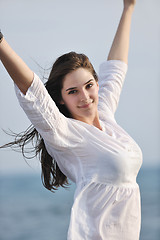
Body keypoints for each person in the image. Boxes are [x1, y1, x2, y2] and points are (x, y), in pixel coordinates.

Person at [0, 0, 143, 239]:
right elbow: (32, 89)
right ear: (61, 100)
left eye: (88, 86)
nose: (85, 97)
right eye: (73, 91)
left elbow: (116, 69)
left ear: (97, 84)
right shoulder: (65, 133)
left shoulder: (106, 116)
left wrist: (129, 7)